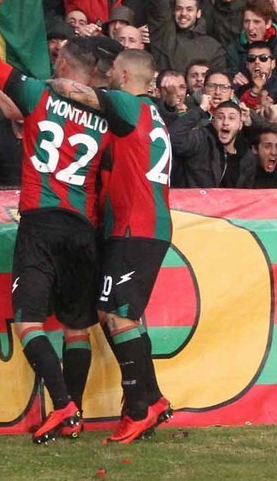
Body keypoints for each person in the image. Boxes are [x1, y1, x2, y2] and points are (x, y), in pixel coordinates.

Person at [0, 0, 112, 443]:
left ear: (64, 64)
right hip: (84, 228)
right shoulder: (111, 115)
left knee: (27, 321)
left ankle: (64, 407)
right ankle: (72, 417)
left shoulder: (40, 95)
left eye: (57, 58)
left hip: (41, 219)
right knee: (77, 328)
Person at [50, 48, 174, 443]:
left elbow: (76, 92)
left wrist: (34, 84)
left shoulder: (128, 104)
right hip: (138, 224)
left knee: (116, 315)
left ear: (122, 75)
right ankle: (151, 400)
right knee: (116, 315)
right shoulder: (151, 115)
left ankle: (138, 408)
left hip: (136, 226)